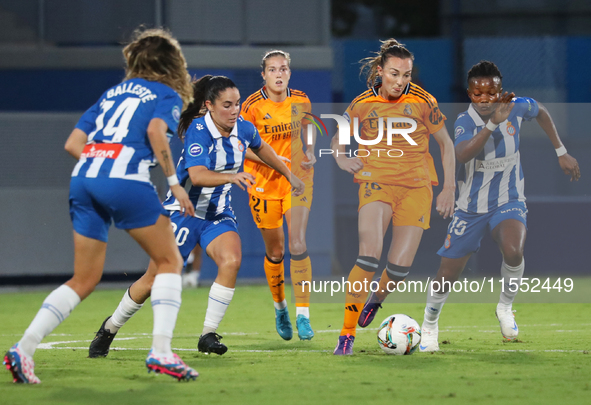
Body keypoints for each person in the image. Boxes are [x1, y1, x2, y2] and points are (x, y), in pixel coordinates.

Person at [3, 28, 199, 383]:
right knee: (170, 260)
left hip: (84, 178)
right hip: (124, 178)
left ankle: (23, 349)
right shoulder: (166, 94)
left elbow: (73, 143)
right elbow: (157, 132)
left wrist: (102, 166)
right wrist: (172, 183)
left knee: (84, 278)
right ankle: (162, 351)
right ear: (172, 63)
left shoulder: (111, 94)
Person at [87, 75, 305, 358]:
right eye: (227, 105)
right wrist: (233, 175)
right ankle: (109, 328)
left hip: (217, 214)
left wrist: (289, 175)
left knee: (231, 260)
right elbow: (197, 176)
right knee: (153, 279)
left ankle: (208, 334)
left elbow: (261, 147)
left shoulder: (243, 129)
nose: (235, 110)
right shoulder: (198, 130)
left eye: (237, 103)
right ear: (209, 106)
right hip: (183, 212)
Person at [419, 60, 581, 351]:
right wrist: (493, 122)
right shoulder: (464, 121)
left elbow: (541, 110)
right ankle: (429, 324)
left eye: (490, 93)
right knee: (447, 275)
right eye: (477, 93)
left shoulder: (516, 107)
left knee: (513, 249)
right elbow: (464, 155)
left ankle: (505, 307)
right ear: (470, 94)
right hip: (470, 207)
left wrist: (561, 151)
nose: (484, 99)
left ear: (499, 91)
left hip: (510, 199)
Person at [331, 39, 456, 355]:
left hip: (416, 187)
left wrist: (450, 188)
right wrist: (342, 158)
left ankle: (376, 300)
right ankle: (346, 334)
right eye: (394, 73)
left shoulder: (424, 102)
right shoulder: (362, 103)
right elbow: (338, 138)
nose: (400, 81)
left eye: (406, 75)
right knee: (368, 256)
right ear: (379, 71)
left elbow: (446, 145)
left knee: (399, 268)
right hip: (376, 183)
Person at [240, 50, 317, 341]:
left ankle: (304, 314)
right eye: (272, 69)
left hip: (297, 181)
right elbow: (240, 146)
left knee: (298, 243)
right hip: (264, 184)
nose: (278, 74)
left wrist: (309, 150)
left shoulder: (301, 99)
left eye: (283, 68)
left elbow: (309, 129)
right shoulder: (251, 107)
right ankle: (280, 307)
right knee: (276, 252)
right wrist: (271, 161)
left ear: (289, 72)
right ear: (264, 75)